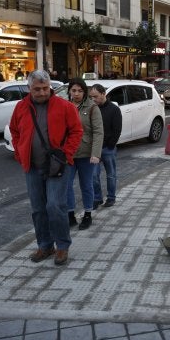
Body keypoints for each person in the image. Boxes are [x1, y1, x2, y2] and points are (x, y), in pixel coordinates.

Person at [9, 70, 83, 266]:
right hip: (32, 166)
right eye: (37, 89)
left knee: (55, 206)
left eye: (44, 88)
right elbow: (14, 131)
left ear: (49, 86)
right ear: (29, 88)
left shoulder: (65, 106)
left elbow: (76, 131)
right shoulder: (21, 107)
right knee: (38, 208)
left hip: (58, 166)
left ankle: (62, 246)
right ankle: (45, 245)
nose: (41, 93)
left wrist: (66, 154)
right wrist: (19, 152)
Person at [66, 78, 104, 230]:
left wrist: (95, 153)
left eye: (80, 91)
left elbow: (98, 131)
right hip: (68, 153)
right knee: (66, 185)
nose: (76, 94)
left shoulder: (92, 107)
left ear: (84, 92)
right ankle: (70, 214)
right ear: (69, 91)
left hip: (86, 153)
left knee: (86, 185)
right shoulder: (65, 106)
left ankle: (87, 214)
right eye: (73, 90)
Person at [89, 84, 122, 209]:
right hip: (94, 148)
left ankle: (111, 197)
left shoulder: (114, 109)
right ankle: (97, 198)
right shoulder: (92, 108)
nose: (93, 99)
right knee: (93, 175)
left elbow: (117, 129)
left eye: (95, 96)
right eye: (91, 97)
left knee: (111, 174)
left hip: (108, 148)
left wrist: (110, 144)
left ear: (103, 94)